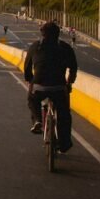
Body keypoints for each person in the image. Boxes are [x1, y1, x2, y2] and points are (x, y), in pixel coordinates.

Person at [24, 21, 79, 153]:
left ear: (42, 33)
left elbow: (27, 69)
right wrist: (69, 82)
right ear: (58, 34)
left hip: (39, 87)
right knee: (64, 114)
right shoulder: (65, 48)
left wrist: (30, 81)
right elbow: (73, 68)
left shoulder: (35, 46)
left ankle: (37, 120)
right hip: (59, 88)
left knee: (32, 100)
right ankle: (64, 144)